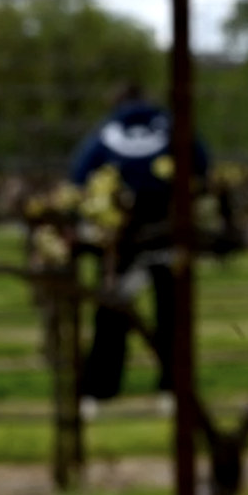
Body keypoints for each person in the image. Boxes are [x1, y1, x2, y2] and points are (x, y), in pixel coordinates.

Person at [68, 83, 208, 417]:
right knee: (172, 313)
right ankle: (171, 390)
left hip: (119, 236)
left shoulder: (106, 131)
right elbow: (201, 164)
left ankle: (99, 391)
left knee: (111, 312)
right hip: (167, 227)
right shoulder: (172, 125)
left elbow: (78, 176)